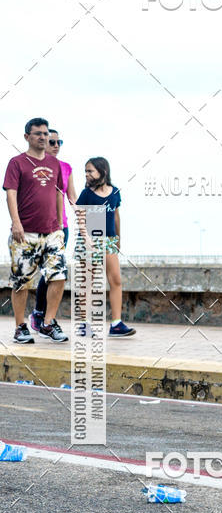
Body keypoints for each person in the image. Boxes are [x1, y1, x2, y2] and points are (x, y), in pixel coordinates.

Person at [3, 117, 68, 343]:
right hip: (25, 233)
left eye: (45, 133)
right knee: (22, 282)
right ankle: (21, 327)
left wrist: (59, 223)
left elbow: (59, 192)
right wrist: (16, 222)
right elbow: (10, 192)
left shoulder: (54, 164)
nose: (43, 137)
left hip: (52, 232)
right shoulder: (17, 163)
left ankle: (48, 323)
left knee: (59, 277)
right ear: (27, 137)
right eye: (38, 133)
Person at [76, 157, 136, 337]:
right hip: (91, 238)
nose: (87, 174)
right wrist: (86, 238)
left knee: (116, 280)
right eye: (85, 171)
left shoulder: (114, 192)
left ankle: (116, 324)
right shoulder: (86, 194)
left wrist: (118, 239)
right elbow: (80, 217)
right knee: (88, 282)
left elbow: (116, 216)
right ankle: (83, 324)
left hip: (109, 240)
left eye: (90, 171)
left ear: (103, 172)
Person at [30, 127, 76, 333]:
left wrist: (98, 205)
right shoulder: (31, 166)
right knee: (48, 272)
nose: (56, 146)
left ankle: (42, 316)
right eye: (52, 142)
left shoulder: (65, 167)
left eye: (60, 143)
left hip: (61, 228)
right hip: (38, 228)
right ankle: (40, 315)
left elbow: (73, 198)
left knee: (54, 272)